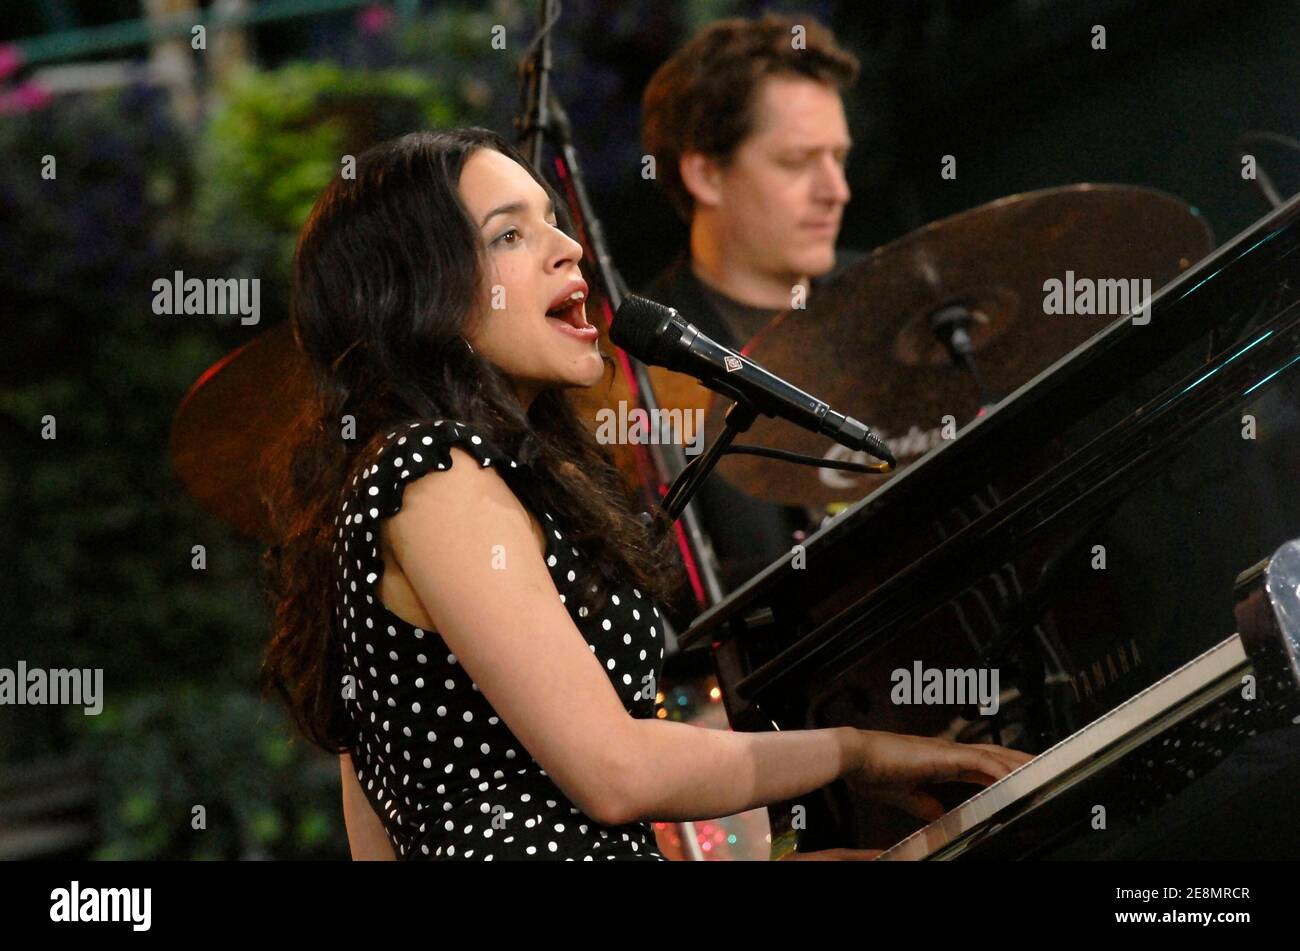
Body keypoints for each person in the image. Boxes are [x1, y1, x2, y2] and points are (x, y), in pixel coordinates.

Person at [257, 127, 1032, 861]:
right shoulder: (432, 469)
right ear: (415, 295)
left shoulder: (409, 485)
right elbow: (616, 772)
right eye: (509, 235)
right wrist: (855, 751)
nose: (568, 249)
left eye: (553, 221)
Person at [639, 13, 864, 594]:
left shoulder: (893, 294)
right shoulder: (641, 374)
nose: (837, 191)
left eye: (838, 158)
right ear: (706, 174)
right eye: (798, 162)